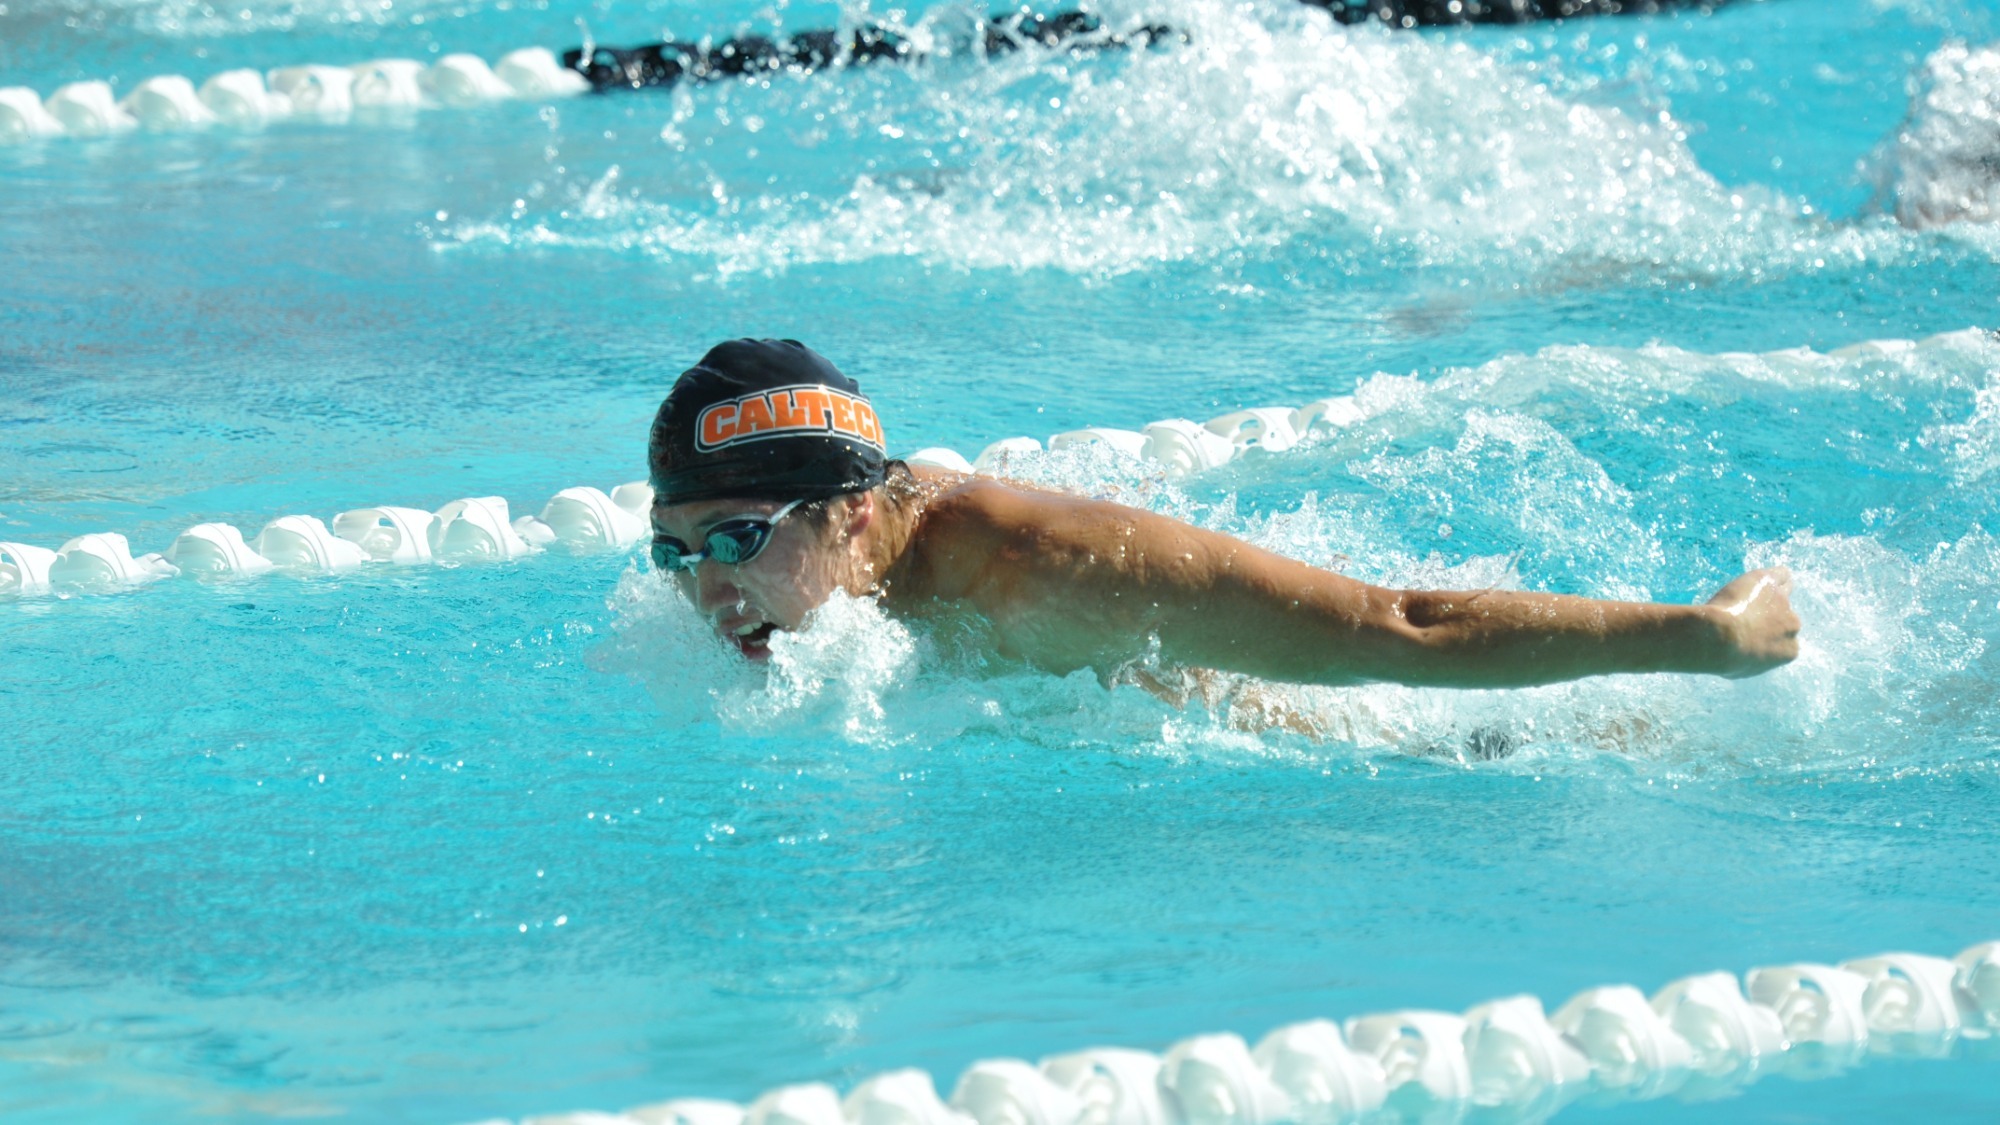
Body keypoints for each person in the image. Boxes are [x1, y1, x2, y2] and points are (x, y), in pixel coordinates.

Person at [648, 339, 1800, 687]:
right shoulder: (802, 595)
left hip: (1356, 728)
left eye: (737, 542)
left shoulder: (1044, 568)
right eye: (676, 551)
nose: (705, 590)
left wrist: (1700, 636)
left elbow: (1400, 626)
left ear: (851, 516)